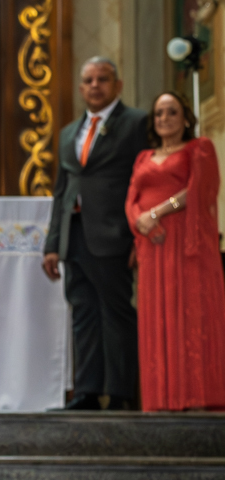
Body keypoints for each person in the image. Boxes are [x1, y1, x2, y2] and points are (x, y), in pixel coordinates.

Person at [42, 57, 148, 411]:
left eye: (103, 79)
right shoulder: (68, 133)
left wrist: (137, 238)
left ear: (118, 85)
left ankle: (119, 393)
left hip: (114, 234)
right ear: (80, 88)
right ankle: (87, 391)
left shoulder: (136, 123)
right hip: (74, 237)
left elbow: (143, 182)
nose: (95, 86)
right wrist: (53, 244)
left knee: (116, 314)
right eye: (88, 80)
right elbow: (61, 191)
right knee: (83, 313)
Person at [126, 93, 225, 411]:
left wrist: (156, 213)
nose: (164, 118)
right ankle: (160, 399)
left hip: (186, 244)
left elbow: (199, 189)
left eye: (172, 112)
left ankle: (196, 397)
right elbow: (131, 199)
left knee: (190, 313)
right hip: (152, 246)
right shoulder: (143, 157)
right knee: (156, 318)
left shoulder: (200, 148)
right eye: (159, 114)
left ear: (185, 118)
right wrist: (143, 223)